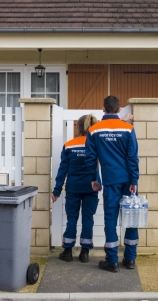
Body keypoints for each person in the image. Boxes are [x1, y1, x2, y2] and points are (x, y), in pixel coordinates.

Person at [85, 95, 139, 273]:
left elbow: (91, 159)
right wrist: (134, 180)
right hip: (128, 181)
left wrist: (94, 179)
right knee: (131, 218)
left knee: (110, 219)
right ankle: (130, 259)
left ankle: (112, 260)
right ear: (119, 109)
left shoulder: (94, 130)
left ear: (103, 109)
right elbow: (132, 157)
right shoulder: (128, 129)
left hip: (110, 181)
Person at [51, 114, 100, 263]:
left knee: (72, 218)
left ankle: (67, 251)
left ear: (77, 127)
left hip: (73, 188)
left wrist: (57, 190)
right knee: (88, 218)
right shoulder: (96, 144)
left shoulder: (69, 145)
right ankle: (85, 252)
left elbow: (62, 170)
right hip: (92, 187)